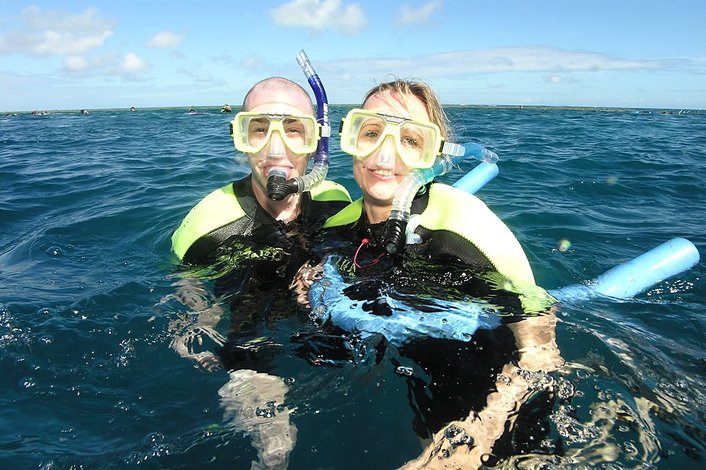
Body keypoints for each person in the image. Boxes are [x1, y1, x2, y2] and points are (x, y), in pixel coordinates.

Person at [308, 79, 562, 467]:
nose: (384, 154)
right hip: (414, 385)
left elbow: (540, 350)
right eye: (371, 132)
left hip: (496, 407)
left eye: (410, 140)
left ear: (433, 154)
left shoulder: (464, 223)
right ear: (351, 139)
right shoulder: (337, 228)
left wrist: (476, 438)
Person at [168, 76, 351, 469]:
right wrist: (198, 320)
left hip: (318, 314)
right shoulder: (206, 225)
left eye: (294, 130)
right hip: (247, 318)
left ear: (315, 142)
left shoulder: (336, 201)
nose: (275, 149)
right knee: (275, 444)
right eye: (259, 129)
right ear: (241, 137)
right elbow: (186, 281)